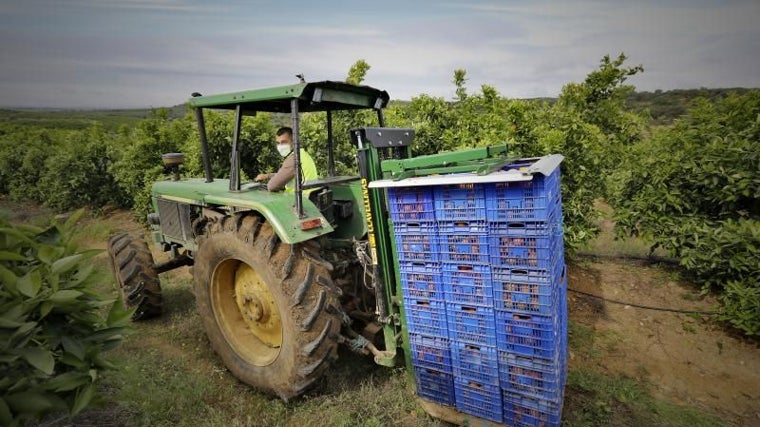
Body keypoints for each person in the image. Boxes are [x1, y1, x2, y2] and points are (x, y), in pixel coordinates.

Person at [255, 127, 318, 192]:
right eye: (278, 143)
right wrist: (267, 176)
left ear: (293, 142)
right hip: (309, 198)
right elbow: (284, 174)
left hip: (300, 199)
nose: (280, 146)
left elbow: (272, 186)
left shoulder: (294, 158)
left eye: (284, 142)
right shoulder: (302, 154)